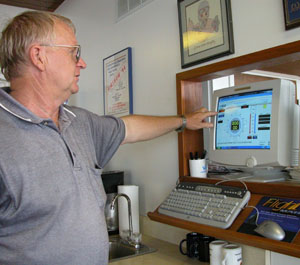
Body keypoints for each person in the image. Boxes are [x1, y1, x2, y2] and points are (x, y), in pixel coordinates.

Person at [0, 11, 217, 265]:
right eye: (74, 52)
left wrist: (183, 121)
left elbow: (131, 128)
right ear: (39, 56)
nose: (82, 63)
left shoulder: (80, 122)